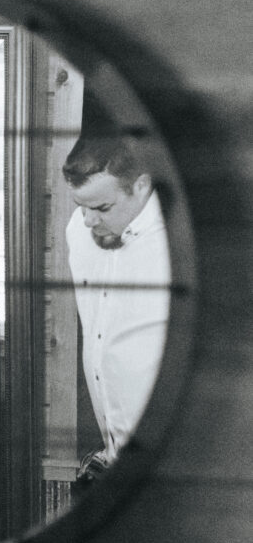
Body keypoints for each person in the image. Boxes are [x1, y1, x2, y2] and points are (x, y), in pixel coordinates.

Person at [63, 135, 171, 472]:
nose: (87, 221)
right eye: (81, 205)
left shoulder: (180, 246)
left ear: (141, 187)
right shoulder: (79, 232)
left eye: (101, 208)